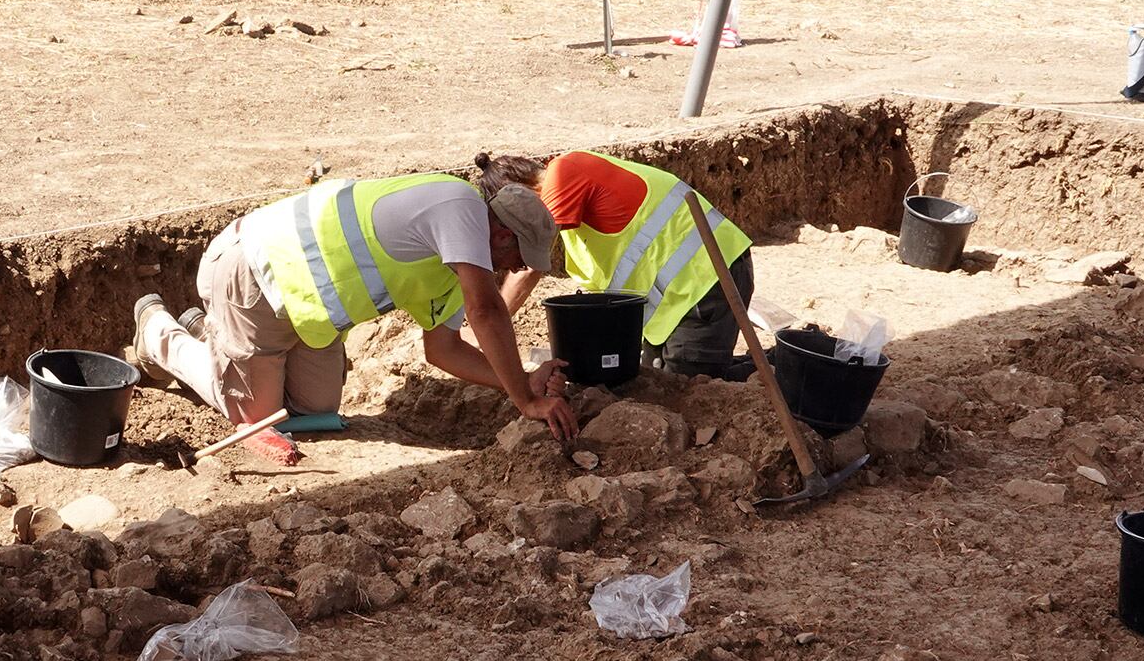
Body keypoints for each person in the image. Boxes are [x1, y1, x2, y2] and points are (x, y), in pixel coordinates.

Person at [132, 173, 578, 454]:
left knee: (314, 411)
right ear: (500, 234)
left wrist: (520, 378)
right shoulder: (460, 207)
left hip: (308, 317)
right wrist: (524, 398)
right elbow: (488, 311)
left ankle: (216, 338)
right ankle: (157, 333)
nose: (519, 268)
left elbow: (442, 350)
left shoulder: (451, 268)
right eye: (521, 254)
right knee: (254, 416)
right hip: (254, 275)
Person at [472, 149, 755, 379]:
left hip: (708, 280)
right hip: (678, 300)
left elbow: (531, 270)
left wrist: (489, 325)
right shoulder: (573, 217)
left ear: (520, 193)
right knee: (661, 384)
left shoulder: (565, 173)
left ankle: (781, 377)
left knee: (692, 388)